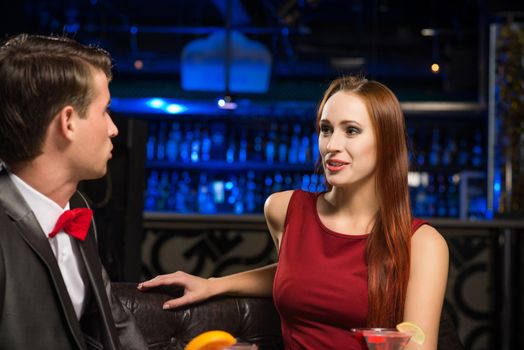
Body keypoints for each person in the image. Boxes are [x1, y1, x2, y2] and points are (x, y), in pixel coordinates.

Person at [138, 76, 449, 350]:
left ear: (386, 145)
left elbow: (418, 346)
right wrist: (214, 284)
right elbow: (303, 272)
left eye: (351, 131)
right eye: (325, 130)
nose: (332, 145)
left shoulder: (423, 244)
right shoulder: (283, 209)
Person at [0, 34, 147, 349]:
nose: (113, 129)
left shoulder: (76, 208)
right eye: (104, 110)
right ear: (68, 122)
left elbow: (114, 332)